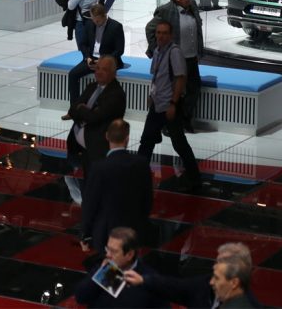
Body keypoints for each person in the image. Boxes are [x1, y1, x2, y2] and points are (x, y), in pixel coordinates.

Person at [138, 20, 200, 190]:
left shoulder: (174, 52)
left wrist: (174, 103)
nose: (161, 36)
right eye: (158, 33)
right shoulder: (157, 51)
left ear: (171, 35)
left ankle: (194, 178)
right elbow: (157, 76)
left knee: (179, 143)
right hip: (157, 103)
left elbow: (180, 78)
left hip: (169, 104)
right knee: (147, 140)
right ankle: (138, 174)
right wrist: (151, 95)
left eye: (164, 33)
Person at [79, 121, 152, 254]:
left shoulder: (99, 167)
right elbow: (147, 200)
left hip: (106, 232)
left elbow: (90, 203)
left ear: (107, 136)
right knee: (129, 262)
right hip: (133, 230)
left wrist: (85, 233)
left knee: (109, 264)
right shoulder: (141, 164)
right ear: (127, 138)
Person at [63, 55, 127, 199]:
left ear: (113, 73)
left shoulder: (116, 94)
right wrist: (84, 110)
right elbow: (73, 109)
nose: (98, 72)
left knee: (97, 190)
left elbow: (94, 118)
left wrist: (82, 109)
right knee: (87, 187)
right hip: (80, 149)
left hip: (98, 151)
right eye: (97, 68)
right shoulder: (91, 87)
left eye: (104, 69)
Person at [121, 242, 257, 308]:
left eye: (221, 263)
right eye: (217, 261)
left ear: (234, 282)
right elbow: (175, 287)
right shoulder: (203, 286)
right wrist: (144, 280)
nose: (211, 281)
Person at [148, 0, 204, 134]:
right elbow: (150, 28)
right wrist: (158, 50)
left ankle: (185, 120)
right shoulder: (165, 11)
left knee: (193, 89)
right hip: (175, 59)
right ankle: (168, 124)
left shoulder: (192, 6)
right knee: (174, 92)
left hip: (191, 58)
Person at [74, 227, 167, 309]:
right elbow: (80, 297)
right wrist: (100, 274)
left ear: (129, 254)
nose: (108, 255)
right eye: (107, 249)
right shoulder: (104, 268)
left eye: (113, 251)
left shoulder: (149, 278)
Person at [67, 3, 126, 104]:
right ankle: (74, 107)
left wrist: (103, 61)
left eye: (97, 20)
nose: (95, 22)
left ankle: (103, 106)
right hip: (92, 59)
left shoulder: (116, 26)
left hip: (108, 60)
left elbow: (119, 50)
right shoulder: (90, 24)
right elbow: (83, 44)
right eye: (93, 19)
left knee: (104, 78)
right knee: (72, 74)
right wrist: (87, 57)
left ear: (104, 16)